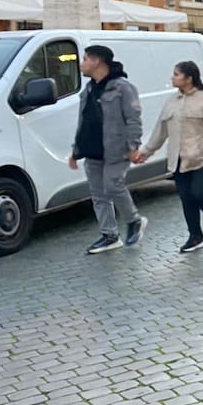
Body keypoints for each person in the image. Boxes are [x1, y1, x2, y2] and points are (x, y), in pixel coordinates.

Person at [137, 61, 203, 252]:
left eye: (177, 74)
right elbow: (160, 131)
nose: (172, 78)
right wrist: (146, 151)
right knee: (187, 198)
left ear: (189, 79)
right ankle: (195, 236)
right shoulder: (172, 101)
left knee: (198, 193)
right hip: (178, 158)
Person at [68, 45, 148, 254]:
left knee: (112, 185)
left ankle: (134, 220)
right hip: (92, 150)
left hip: (116, 149)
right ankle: (109, 235)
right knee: (98, 195)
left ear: (96, 62)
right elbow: (83, 121)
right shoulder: (88, 89)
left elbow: (133, 119)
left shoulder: (122, 87)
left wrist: (133, 147)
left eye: (85, 59)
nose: (82, 63)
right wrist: (76, 151)